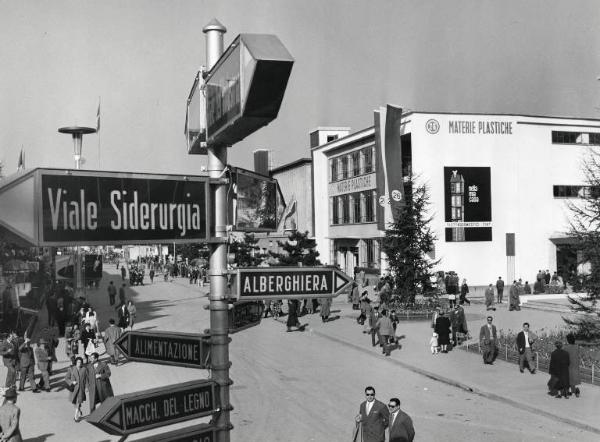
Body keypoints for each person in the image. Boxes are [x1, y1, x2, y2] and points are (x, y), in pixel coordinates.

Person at [64, 356, 88, 422]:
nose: (79, 364)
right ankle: (79, 411)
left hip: (81, 389)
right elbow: (66, 378)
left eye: (80, 362)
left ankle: (76, 417)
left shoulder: (84, 369)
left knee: (78, 402)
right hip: (73, 389)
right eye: (78, 362)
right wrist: (72, 382)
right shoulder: (71, 369)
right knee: (74, 402)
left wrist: (86, 387)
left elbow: (86, 379)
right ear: (75, 362)